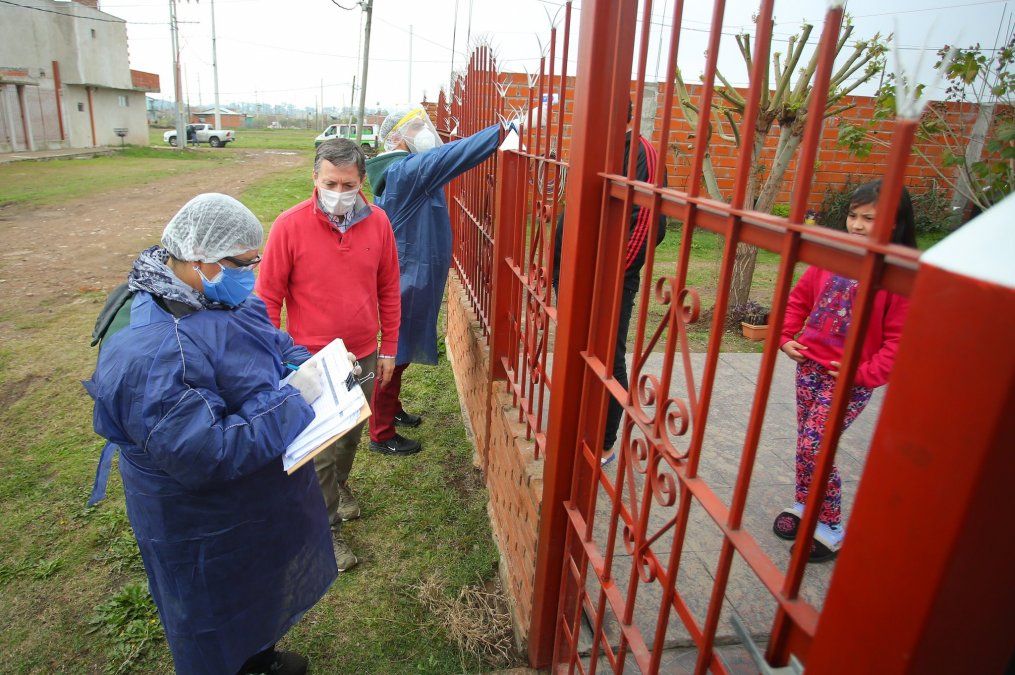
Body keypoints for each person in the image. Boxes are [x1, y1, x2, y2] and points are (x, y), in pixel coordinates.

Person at [84, 193, 337, 675]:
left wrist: (310, 366)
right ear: (199, 260)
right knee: (214, 608)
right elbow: (209, 453)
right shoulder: (153, 351)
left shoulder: (217, 294)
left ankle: (258, 656)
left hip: (251, 494)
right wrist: (293, 399)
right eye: (243, 263)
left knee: (256, 583)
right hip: (198, 518)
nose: (253, 274)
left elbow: (272, 342)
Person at [256, 138, 401, 572]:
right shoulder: (289, 225)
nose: (340, 191)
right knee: (319, 450)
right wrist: (273, 355)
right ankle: (325, 530)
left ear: (363, 184)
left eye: (349, 183)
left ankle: (340, 487)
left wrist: (389, 347)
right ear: (315, 181)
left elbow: (390, 289)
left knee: (351, 436)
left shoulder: (378, 223)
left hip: (363, 356)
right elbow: (268, 297)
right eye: (331, 182)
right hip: (310, 360)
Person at [774, 180, 917, 563]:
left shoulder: (898, 276)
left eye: (869, 218)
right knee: (807, 440)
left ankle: (832, 526)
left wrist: (864, 373)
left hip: (850, 380)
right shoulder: (832, 257)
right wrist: (785, 336)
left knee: (815, 447)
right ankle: (805, 504)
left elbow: (898, 341)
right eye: (853, 216)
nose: (857, 224)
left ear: (895, 222)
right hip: (809, 367)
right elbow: (799, 299)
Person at [364, 106, 509, 456]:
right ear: (396, 137)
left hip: (415, 274)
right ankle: (380, 432)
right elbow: (453, 155)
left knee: (402, 350)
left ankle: (390, 409)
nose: (424, 133)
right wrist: (504, 130)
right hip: (407, 278)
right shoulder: (404, 171)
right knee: (394, 353)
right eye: (416, 127)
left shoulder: (405, 169)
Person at [552, 100, 668, 463]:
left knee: (607, 355)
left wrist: (608, 280)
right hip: (576, 276)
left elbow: (646, 224)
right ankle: (577, 425)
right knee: (579, 350)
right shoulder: (598, 148)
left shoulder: (641, 153)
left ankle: (604, 442)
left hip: (609, 282)